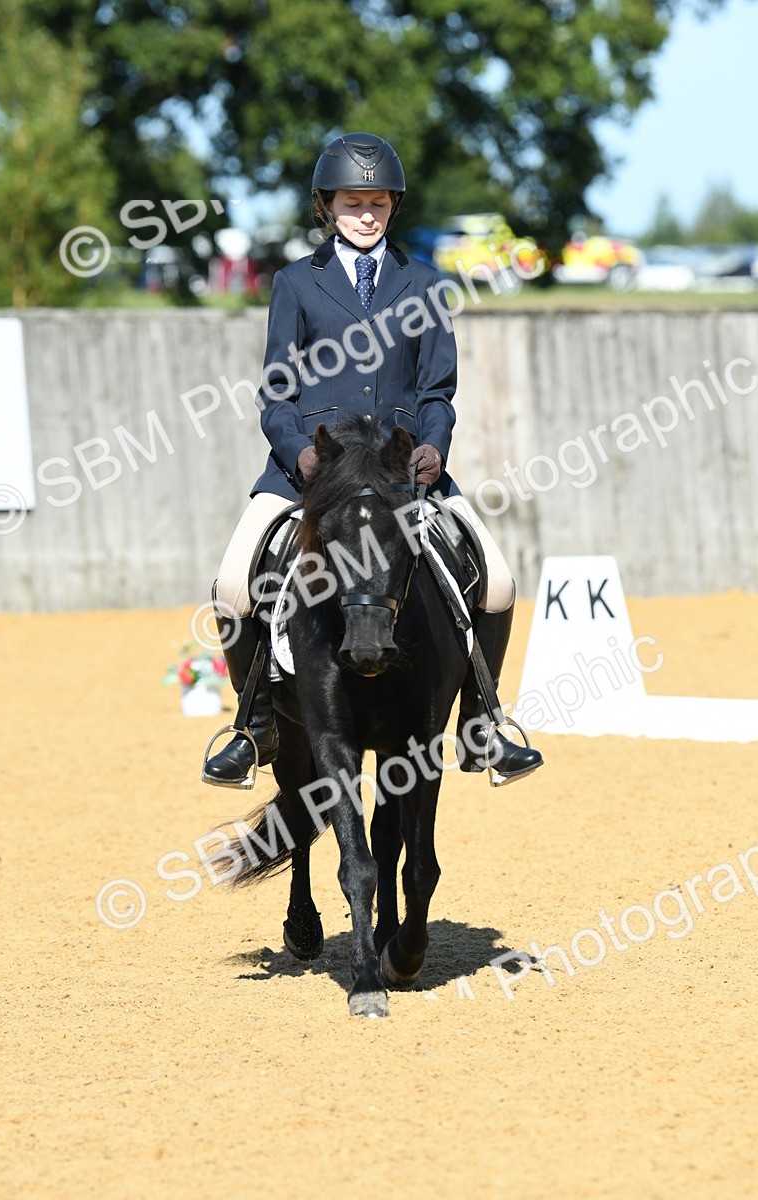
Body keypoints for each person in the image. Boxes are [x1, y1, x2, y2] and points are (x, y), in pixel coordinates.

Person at [204, 132, 543, 788]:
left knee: (496, 581)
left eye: (379, 204)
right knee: (231, 586)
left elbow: (436, 390)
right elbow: (276, 392)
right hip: (312, 469)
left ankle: (480, 722)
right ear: (326, 205)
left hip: (401, 470)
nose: (366, 215)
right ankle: (252, 729)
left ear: (392, 208)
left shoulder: (423, 283)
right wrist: (301, 454)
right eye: (353, 203)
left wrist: (430, 449)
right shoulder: (296, 284)